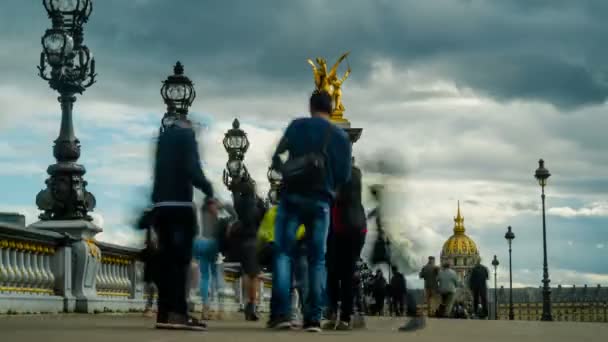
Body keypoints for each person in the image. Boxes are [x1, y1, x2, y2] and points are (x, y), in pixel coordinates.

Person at [269, 90, 352, 331]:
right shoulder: (339, 136)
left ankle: (282, 314)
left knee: (284, 253)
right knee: (317, 259)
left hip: (292, 196)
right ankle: (313, 318)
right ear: (332, 107)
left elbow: (278, 156)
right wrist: (329, 185)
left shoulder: (296, 126)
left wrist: (283, 169)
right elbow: (344, 175)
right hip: (321, 201)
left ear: (310, 106)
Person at [151, 116, 216, 331]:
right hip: (179, 205)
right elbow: (192, 169)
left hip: (160, 206)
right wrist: (208, 189)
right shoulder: (186, 137)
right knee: (180, 263)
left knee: (166, 262)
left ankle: (164, 313)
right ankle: (178, 313)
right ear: (188, 124)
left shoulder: (163, 139)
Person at [324, 160, 367, 330]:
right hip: (342, 231)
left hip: (347, 231)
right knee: (336, 274)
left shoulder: (350, 174)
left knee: (343, 274)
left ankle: (345, 316)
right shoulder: (348, 174)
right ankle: (337, 313)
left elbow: (339, 195)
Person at [229, 178, 266, 321]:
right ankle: (252, 305)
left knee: (246, 273)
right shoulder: (256, 204)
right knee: (254, 275)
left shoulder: (239, 203)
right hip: (254, 240)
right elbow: (262, 217)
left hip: (242, 241)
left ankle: (247, 304)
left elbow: (235, 197)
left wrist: (234, 189)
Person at [193, 201, 225, 320]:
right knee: (217, 276)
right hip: (212, 244)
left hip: (199, 242)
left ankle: (205, 307)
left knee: (205, 276)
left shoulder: (201, 212)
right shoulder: (216, 219)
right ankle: (220, 309)